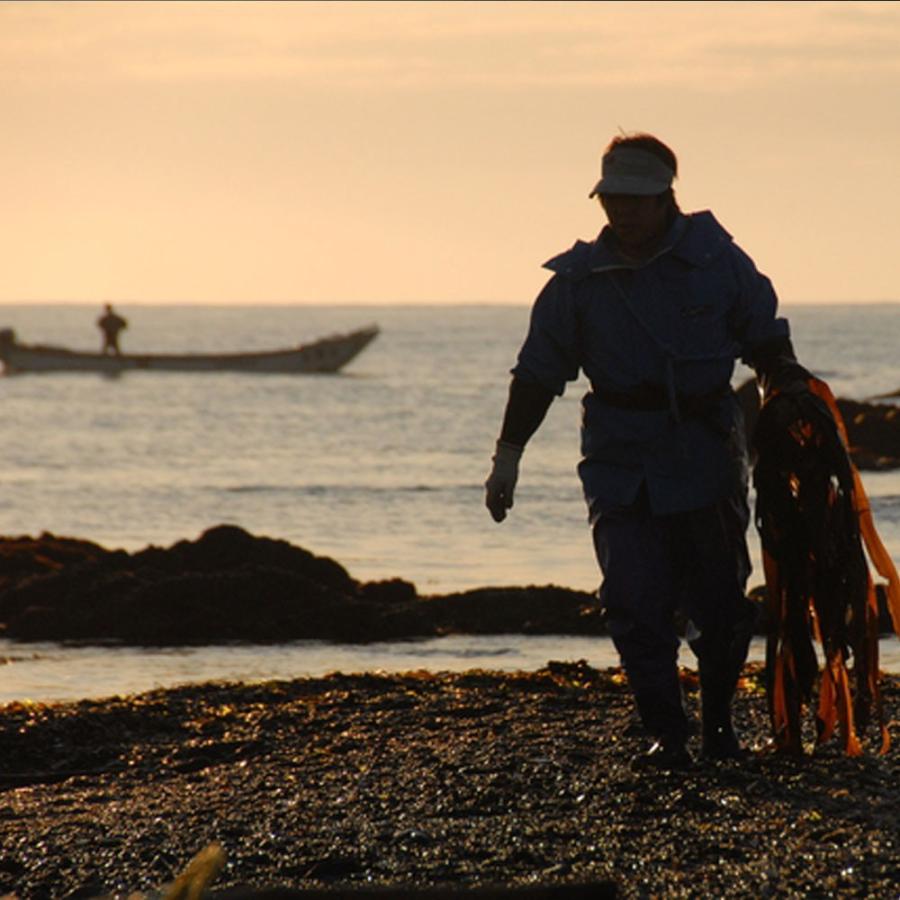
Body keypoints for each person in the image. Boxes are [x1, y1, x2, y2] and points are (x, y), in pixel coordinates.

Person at [484, 133, 810, 769]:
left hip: (705, 447)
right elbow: (537, 375)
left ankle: (719, 730)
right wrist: (507, 457)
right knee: (632, 597)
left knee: (720, 601)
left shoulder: (718, 262)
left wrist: (790, 390)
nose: (621, 211)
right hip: (618, 453)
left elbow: (766, 341)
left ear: (667, 197)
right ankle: (666, 732)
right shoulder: (577, 282)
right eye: (611, 198)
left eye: (635, 198)